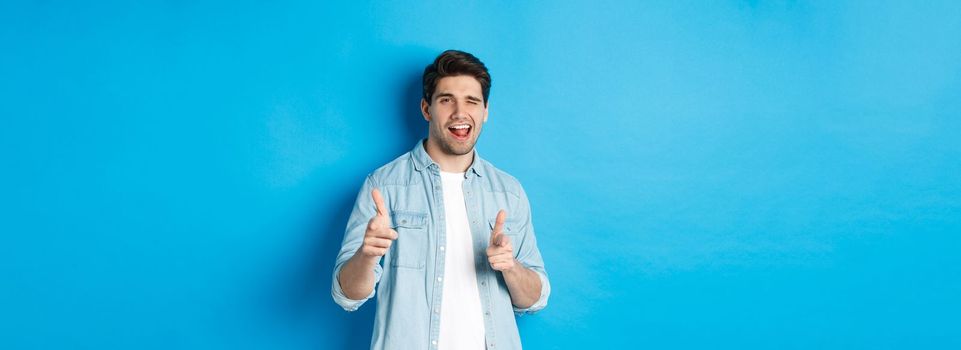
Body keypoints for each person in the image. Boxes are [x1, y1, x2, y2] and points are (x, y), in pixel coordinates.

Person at [331, 50, 550, 350]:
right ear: (426, 109)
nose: (460, 112)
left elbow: (534, 299)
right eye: (447, 100)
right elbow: (346, 294)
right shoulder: (383, 186)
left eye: (472, 101)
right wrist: (367, 256)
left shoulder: (509, 192)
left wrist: (510, 266)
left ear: (485, 110)